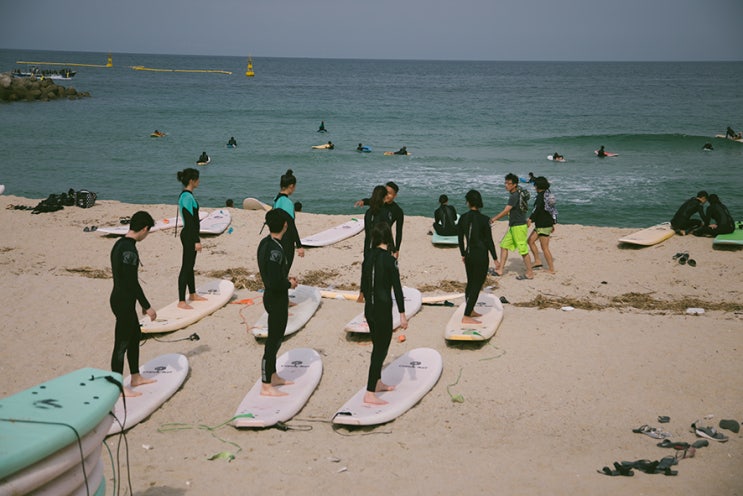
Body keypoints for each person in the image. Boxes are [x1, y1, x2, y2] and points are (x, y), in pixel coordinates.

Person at [359, 221, 407, 405]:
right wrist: (402, 314)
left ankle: (377, 382)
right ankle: (370, 392)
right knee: (381, 348)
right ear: (388, 236)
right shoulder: (389, 259)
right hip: (382, 309)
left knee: (377, 345)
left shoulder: (368, 256)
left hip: (369, 309)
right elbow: (397, 288)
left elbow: (364, 282)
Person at [109, 211, 157, 397]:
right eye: (148, 231)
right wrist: (146, 305)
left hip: (121, 298)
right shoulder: (130, 250)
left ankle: (136, 376)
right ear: (144, 229)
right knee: (121, 343)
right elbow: (131, 282)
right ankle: (117, 386)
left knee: (135, 336)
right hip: (123, 301)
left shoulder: (120, 244)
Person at [257, 209, 299, 396]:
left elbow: (271, 273)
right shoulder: (276, 250)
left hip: (272, 296)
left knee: (277, 338)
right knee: (273, 341)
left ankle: (273, 375)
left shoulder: (265, 243)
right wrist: (289, 283)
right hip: (275, 298)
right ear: (285, 226)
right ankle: (266, 384)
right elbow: (274, 282)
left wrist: (284, 278)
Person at [458, 190, 497, 325]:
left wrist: (463, 253)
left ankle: (471, 309)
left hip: (469, 255)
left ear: (468, 202)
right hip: (481, 255)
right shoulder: (484, 219)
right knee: (477, 284)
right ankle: (467, 315)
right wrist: (495, 258)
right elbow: (489, 241)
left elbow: (460, 238)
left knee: (470, 282)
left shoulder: (463, 218)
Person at [491, 173, 534, 280]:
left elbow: (506, 211)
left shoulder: (514, 196)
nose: (506, 185)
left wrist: (493, 219)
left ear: (514, 185)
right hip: (515, 225)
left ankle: (529, 273)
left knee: (523, 250)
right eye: (505, 183)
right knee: (504, 245)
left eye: (508, 183)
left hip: (518, 227)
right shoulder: (517, 193)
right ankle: (500, 270)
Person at [176, 168, 207, 309]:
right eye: (197, 179)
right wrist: (196, 240)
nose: (199, 181)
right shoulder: (187, 197)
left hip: (189, 234)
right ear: (191, 181)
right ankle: (181, 301)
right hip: (189, 235)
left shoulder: (185, 195)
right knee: (186, 267)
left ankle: (193, 294)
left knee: (190, 266)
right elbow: (190, 221)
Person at [355, 181, 404, 257]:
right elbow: (370, 200)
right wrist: (363, 201)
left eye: (390, 193)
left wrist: (397, 249)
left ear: (395, 195)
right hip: (371, 239)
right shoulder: (379, 202)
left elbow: (399, 232)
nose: (387, 195)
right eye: (385, 192)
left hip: (385, 240)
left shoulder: (397, 211)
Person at [272, 169, 304, 270]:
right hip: (286, 240)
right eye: (295, 186)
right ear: (291, 186)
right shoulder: (287, 203)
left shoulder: (276, 200)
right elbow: (291, 224)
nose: (294, 189)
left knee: (279, 267)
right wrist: (299, 246)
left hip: (276, 238)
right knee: (285, 268)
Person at [527, 176, 557, 274]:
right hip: (543, 224)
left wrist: (530, 219)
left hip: (543, 225)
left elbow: (537, 209)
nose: (534, 187)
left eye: (535, 185)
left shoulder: (541, 196)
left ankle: (551, 269)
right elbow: (552, 210)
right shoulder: (548, 194)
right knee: (530, 241)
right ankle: (537, 261)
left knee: (544, 248)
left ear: (538, 186)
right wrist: (553, 223)